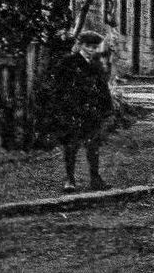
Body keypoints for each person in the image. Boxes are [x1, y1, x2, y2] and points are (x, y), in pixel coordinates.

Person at [45, 30, 114, 193]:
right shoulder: (69, 63)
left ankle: (95, 179)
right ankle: (70, 179)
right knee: (71, 146)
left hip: (92, 113)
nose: (91, 50)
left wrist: (107, 108)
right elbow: (59, 88)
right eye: (88, 46)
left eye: (94, 47)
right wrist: (62, 109)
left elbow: (103, 88)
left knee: (93, 146)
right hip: (73, 112)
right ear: (80, 45)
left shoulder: (96, 65)